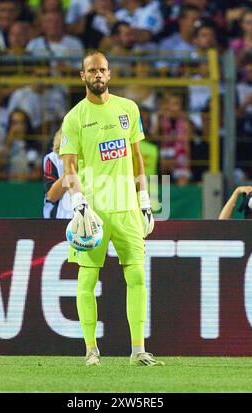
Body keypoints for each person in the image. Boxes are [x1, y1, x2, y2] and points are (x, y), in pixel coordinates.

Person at [59, 50, 164, 367]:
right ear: (83, 76)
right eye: (92, 71)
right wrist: (78, 201)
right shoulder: (74, 118)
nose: (98, 75)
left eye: (102, 70)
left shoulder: (128, 109)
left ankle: (137, 351)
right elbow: (70, 166)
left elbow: (137, 158)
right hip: (94, 212)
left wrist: (144, 199)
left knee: (137, 277)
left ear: (110, 73)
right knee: (87, 279)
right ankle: (91, 350)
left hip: (127, 208)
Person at [43, 128, 72, 218]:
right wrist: (71, 169)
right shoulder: (53, 158)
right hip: (60, 219)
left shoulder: (94, 156)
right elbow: (52, 196)